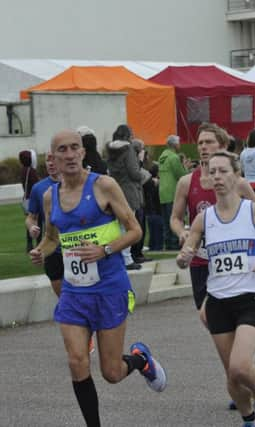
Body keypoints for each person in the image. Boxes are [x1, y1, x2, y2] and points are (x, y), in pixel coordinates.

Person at [29, 130, 166, 427]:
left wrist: (104, 250)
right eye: (61, 150)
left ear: (82, 153)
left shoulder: (104, 186)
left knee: (112, 373)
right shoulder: (50, 196)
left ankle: (141, 360)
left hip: (109, 288)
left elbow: (134, 230)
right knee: (77, 362)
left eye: (74, 148)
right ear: (52, 158)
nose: (69, 154)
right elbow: (53, 238)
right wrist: (41, 250)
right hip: (74, 293)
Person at [176, 151, 255, 427]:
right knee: (232, 375)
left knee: (241, 366)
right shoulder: (204, 218)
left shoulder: (254, 211)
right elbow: (187, 249)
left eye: (222, 171)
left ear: (237, 175)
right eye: (211, 171)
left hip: (250, 299)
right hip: (217, 302)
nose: (216, 176)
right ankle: (249, 418)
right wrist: (184, 257)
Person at [171, 123, 255, 328]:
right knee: (209, 319)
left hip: (231, 258)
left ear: (222, 146)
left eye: (209, 142)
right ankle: (235, 356)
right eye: (200, 143)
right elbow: (175, 218)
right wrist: (182, 232)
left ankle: (240, 354)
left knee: (218, 315)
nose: (203, 147)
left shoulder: (238, 183)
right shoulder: (187, 182)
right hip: (201, 261)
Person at [106, 125, 150, 268]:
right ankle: (127, 259)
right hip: (129, 191)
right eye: (131, 135)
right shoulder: (128, 149)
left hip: (114, 190)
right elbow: (134, 173)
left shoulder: (110, 149)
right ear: (127, 136)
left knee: (118, 227)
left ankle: (120, 257)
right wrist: (142, 165)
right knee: (129, 225)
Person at [26, 152, 62, 296]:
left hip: (75, 247)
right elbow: (31, 217)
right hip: (52, 249)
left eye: (54, 160)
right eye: (48, 160)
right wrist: (31, 227)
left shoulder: (75, 184)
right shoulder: (38, 188)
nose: (51, 164)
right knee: (64, 298)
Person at [159, 134, 189, 250]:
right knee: (175, 218)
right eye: (179, 143)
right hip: (172, 192)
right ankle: (175, 243)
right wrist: (185, 167)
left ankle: (168, 243)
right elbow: (181, 175)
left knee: (166, 220)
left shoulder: (163, 156)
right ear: (175, 144)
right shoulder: (174, 157)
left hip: (162, 192)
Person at [19, 149, 40, 252]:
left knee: (30, 222)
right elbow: (37, 185)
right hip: (33, 199)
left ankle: (29, 244)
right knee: (37, 221)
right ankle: (39, 243)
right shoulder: (30, 171)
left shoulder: (23, 170)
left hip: (26, 198)